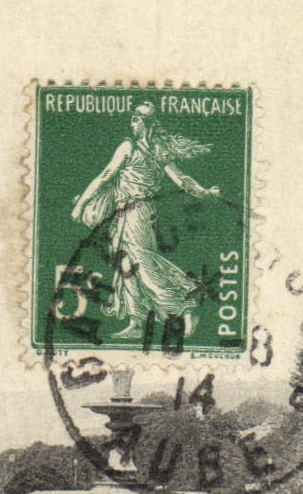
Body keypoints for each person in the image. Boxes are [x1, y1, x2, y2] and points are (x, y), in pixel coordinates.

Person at [69, 101, 221, 340]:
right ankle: (137, 321)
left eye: (136, 119)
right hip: (127, 213)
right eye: (132, 119)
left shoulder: (133, 147)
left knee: (143, 264)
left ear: (148, 123)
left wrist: (80, 205)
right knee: (126, 266)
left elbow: (107, 176)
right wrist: (206, 192)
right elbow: (181, 181)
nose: (132, 124)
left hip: (137, 212)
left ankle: (185, 307)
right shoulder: (151, 149)